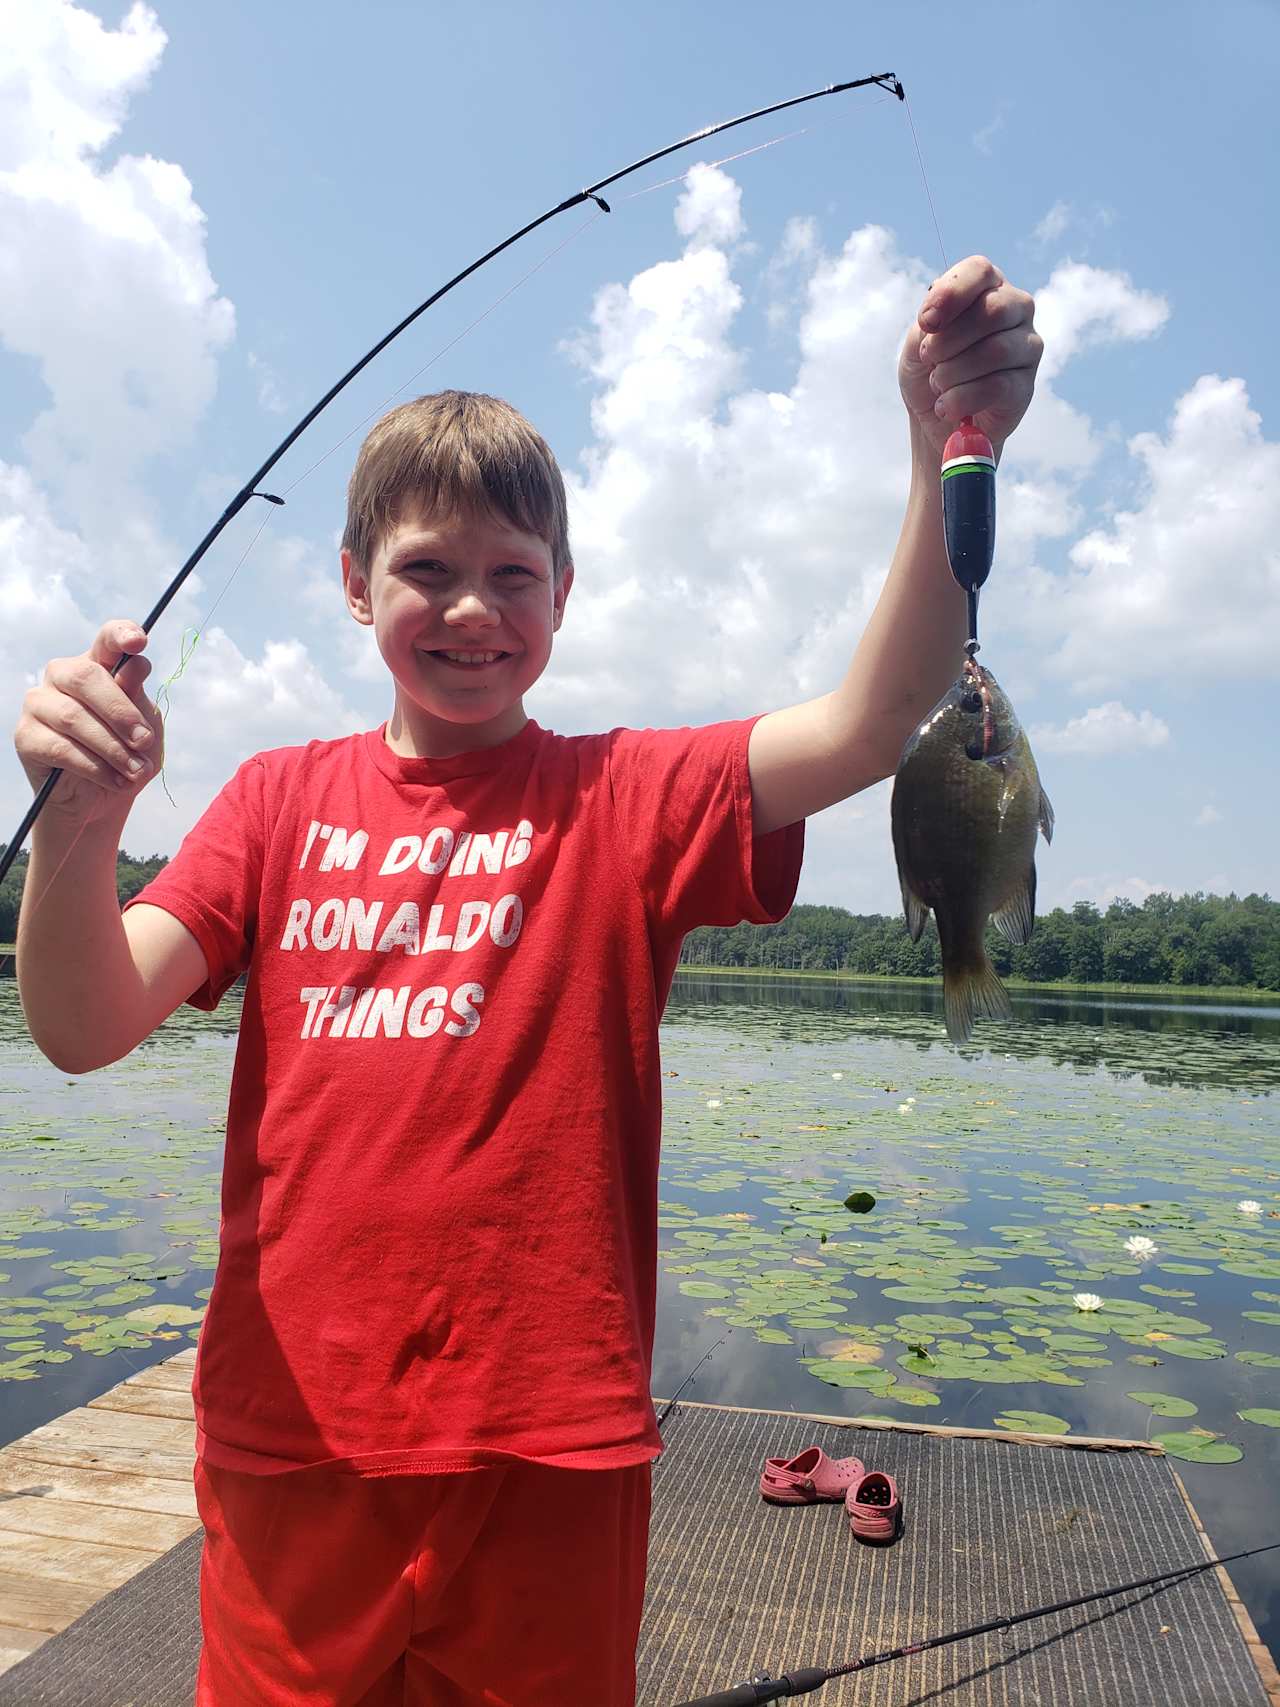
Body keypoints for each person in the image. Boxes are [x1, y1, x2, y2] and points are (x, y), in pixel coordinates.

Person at [13, 254, 1041, 1706]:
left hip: (549, 1450)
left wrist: (947, 450)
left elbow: (876, 721)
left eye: (513, 574)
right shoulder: (270, 803)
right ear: (354, 585)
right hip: (292, 1444)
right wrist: (79, 829)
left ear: (563, 591)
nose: (473, 609)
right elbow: (80, 1021)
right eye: (427, 569)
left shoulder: (624, 795)